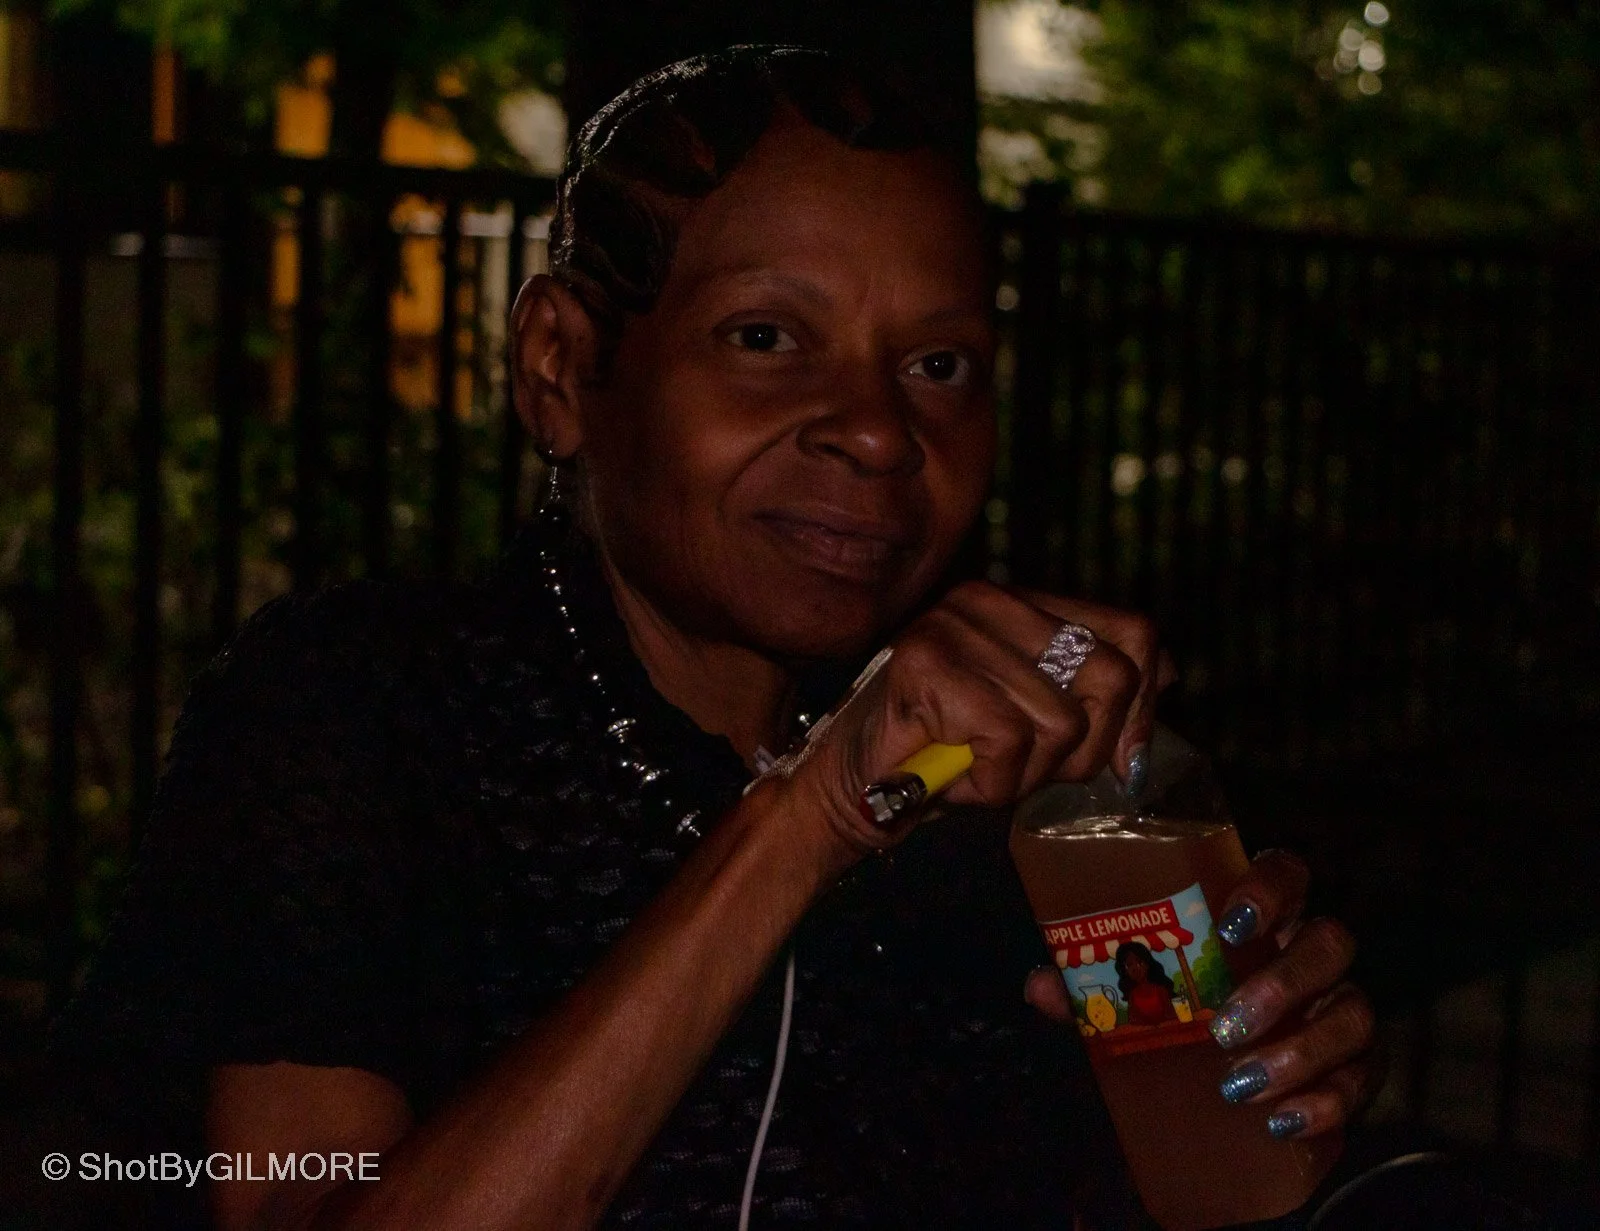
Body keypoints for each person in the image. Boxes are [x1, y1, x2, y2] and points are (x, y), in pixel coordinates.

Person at [47, 47, 1378, 1230]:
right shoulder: (366, 709)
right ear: (560, 366)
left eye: (940, 365)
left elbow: (1183, 1182)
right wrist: (806, 821)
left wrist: (1248, 1086)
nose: (879, 430)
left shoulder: (1008, 780)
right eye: (766, 337)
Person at [1114, 943, 1178, 1028]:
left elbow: (1172, 1019)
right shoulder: (1132, 995)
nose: (1135, 968)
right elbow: (1134, 1022)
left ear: (1147, 964)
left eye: (1139, 962)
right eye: (1129, 965)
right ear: (1125, 971)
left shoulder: (1160, 990)